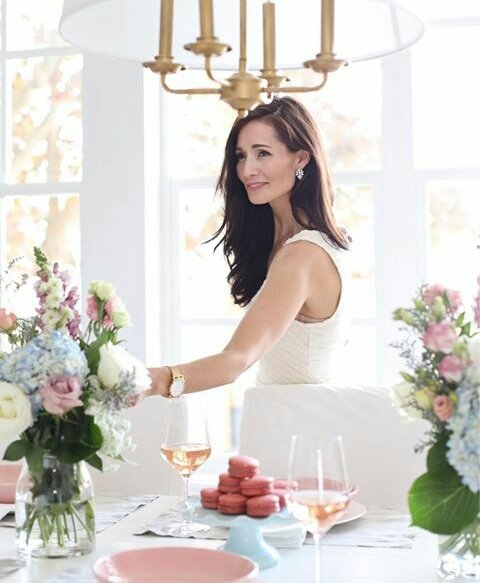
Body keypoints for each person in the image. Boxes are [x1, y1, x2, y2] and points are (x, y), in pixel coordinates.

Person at [146, 96, 350, 399]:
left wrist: (141, 381)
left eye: (262, 153)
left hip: (302, 421)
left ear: (301, 159)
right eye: (241, 156)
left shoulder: (302, 255)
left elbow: (235, 361)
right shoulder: (282, 244)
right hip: (279, 413)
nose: (246, 170)